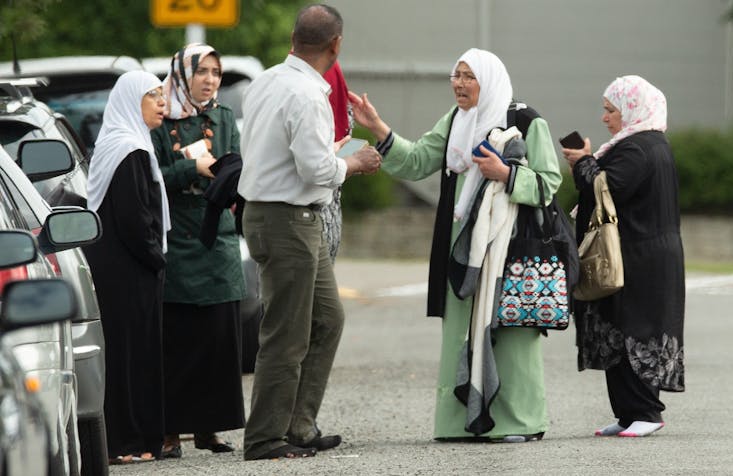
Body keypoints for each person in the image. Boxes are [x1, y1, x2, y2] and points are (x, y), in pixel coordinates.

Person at [349, 48, 562, 441]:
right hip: (461, 246)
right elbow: (416, 161)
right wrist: (379, 128)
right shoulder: (455, 121)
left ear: (490, 80)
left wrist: (506, 173)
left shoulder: (526, 121)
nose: (459, 84)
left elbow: (549, 182)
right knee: (461, 330)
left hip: (509, 248)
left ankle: (521, 422)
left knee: (511, 332)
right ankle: (458, 422)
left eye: (469, 76)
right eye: (456, 75)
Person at [238, 4, 381, 460]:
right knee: (286, 333)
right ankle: (265, 437)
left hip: (276, 213)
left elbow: (279, 150)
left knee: (327, 319)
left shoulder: (268, 80)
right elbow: (315, 169)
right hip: (288, 221)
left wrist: (328, 153)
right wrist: (353, 162)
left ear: (294, 38)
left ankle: (297, 424)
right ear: (335, 45)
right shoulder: (306, 93)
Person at [562, 75, 685, 438]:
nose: (605, 118)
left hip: (642, 256)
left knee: (638, 328)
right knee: (616, 326)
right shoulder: (637, 144)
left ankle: (647, 411)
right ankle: (629, 413)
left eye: (610, 110)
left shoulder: (641, 147)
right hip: (634, 251)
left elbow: (606, 188)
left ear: (631, 110)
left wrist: (584, 162)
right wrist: (585, 163)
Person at [150, 43, 246, 458]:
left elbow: (238, 162)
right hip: (178, 235)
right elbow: (153, 175)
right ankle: (170, 431)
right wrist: (193, 168)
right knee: (178, 339)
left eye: (216, 72)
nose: (209, 79)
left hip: (218, 235)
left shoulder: (223, 117)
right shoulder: (160, 119)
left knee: (218, 338)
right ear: (182, 73)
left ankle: (210, 428)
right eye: (201, 71)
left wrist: (229, 176)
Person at [84, 70, 171, 464]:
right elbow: (135, 219)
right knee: (128, 355)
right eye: (152, 95)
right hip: (128, 270)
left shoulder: (127, 143)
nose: (161, 102)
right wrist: (157, 258)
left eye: (160, 94)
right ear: (131, 101)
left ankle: (134, 439)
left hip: (124, 266)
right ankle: (126, 442)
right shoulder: (128, 150)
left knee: (131, 352)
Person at [320, 60, 353, 261]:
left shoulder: (274, 81)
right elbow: (316, 166)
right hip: (313, 211)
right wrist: (353, 163)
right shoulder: (310, 92)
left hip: (324, 207)